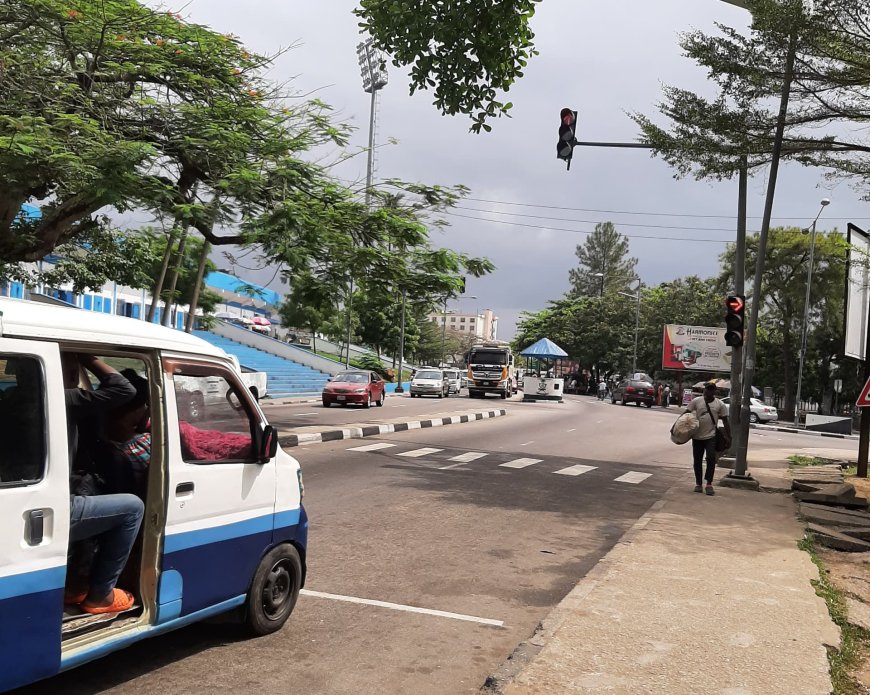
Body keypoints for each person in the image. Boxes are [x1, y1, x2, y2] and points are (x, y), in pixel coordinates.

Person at [63, 353, 144, 615]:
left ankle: (76, 586)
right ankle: (101, 595)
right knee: (132, 508)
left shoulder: (14, 398)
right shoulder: (65, 399)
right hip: (57, 507)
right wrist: (87, 358)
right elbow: (124, 389)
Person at [685, 381, 731, 495]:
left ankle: (709, 483)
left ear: (714, 391)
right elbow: (686, 413)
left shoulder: (720, 404)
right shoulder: (696, 401)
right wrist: (676, 426)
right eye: (707, 389)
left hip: (711, 436)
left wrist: (729, 437)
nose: (708, 391)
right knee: (697, 460)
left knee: (711, 458)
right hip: (696, 436)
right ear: (704, 390)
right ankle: (698, 484)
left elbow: (725, 421)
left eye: (711, 389)